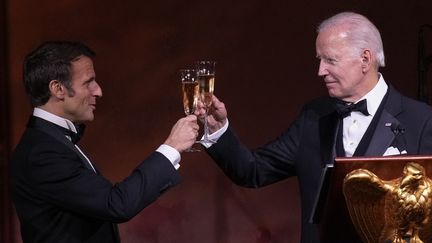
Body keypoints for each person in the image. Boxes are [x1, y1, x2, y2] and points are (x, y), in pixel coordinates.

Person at [197, 12, 432, 242]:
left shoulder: (421, 121)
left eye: (330, 60)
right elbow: (252, 171)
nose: (320, 71)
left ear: (365, 59)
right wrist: (218, 130)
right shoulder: (313, 118)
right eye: (320, 60)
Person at [11, 41, 199, 243]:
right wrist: (172, 147)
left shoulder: (50, 142)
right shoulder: (42, 152)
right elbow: (116, 204)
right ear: (58, 88)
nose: (98, 91)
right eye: (88, 82)